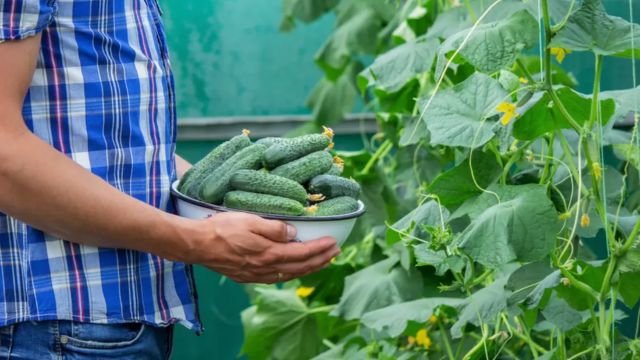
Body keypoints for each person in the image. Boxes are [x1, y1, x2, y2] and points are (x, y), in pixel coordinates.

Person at [0, 0, 339, 358]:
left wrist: (224, 207)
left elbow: (120, 146)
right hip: (50, 328)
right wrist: (195, 239)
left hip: (107, 320)